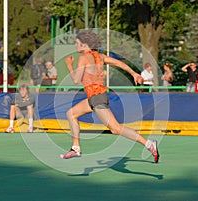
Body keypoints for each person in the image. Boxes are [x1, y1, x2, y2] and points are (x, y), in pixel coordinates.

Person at [61, 30, 159, 163]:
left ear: (85, 45)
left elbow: (76, 79)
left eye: (77, 43)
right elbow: (120, 64)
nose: (75, 45)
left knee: (116, 128)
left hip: (96, 98)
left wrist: (69, 66)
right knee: (71, 114)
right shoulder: (100, 57)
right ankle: (75, 147)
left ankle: (148, 144)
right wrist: (134, 74)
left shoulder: (83, 58)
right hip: (96, 97)